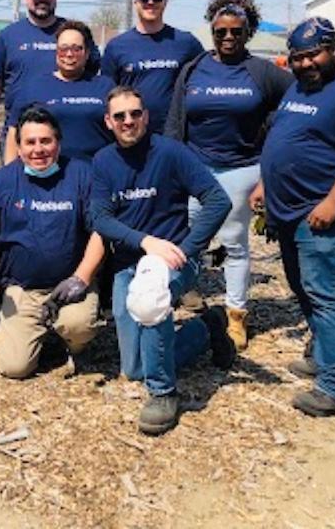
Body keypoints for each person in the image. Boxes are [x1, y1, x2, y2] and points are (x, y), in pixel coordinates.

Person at [249, 17, 335, 417]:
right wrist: (265, 184)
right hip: (289, 213)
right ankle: (322, 354)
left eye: (314, 54)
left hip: (329, 218)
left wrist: (333, 202)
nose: (306, 63)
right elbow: (283, 140)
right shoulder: (297, 89)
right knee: (304, 287)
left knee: (327, 294)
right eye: (298, 57)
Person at [91, 86, 235, 435]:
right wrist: (145, 241)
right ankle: (207, 328)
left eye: (135, 114)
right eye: (120, 116)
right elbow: (100, 218)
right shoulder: (103, 161)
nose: (129, 121)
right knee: (134, 368)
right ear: (109, 122)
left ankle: (163, 393)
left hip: (174, 261)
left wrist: (186, 249)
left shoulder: (171, 153)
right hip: (129, 263)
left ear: (146, 116)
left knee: (151, 298)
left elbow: (218, 200)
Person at [164, 0, 293, 349]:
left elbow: (293, 110)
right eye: (220, 30)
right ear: (212, 30)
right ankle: (173, 302)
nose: (228, 37)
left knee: (233, 243)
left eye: (236, 30)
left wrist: (270, 174)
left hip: (241, 169)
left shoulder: (263, 72)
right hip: (194, 169)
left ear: (248, 31)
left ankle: (237, 316)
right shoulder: (193, 69)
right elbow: (176, 121)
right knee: (186, 241)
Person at [0, 106, 104, 379]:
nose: (38, 149)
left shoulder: (82, 174)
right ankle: (40, 335)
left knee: (78, 326)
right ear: (19, 147)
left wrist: (81, 278)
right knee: (14, 368)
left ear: (58, 143)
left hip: (70, 284)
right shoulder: (3, 180)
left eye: (46, 141)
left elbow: (100, 232)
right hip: (23, 288)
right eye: (30, 142)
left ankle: (68, 340)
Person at [0, 0, 100, 151]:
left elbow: (92, 77)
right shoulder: (8, 35)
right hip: (19, 132)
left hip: (65, 132)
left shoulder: (72, 33)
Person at [101, 0, 204, 135]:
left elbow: (202, 82)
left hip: (175, 135)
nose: (150, 2)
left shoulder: (186, 42)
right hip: (130, 134)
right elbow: (108, 95)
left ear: (165, 2)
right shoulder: (116, 46)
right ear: (135, 2)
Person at [3, 20, 113, 164]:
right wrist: (11, 175)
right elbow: (13, 132)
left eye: (76, 49)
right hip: (48, 176)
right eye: (63, 48)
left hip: (96, 173)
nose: (69, 54)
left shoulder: (105, 86)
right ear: (56, 52)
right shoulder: (34, 87)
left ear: (86, 53)